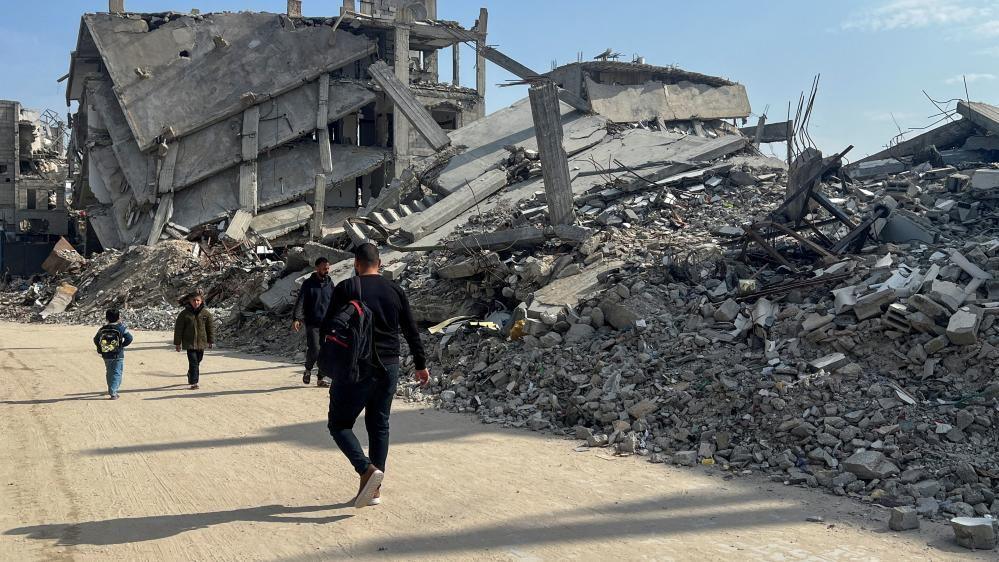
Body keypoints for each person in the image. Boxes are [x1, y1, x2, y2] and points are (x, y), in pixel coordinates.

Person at [325, 243, 429, 509]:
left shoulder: (347, 288)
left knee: (339, 424)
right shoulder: (395, 290)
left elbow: (329, 327)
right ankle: (374, 490)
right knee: (379, 424)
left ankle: (366, 470)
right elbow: (410, 330)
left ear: (356, 264)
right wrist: (420, 363)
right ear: (379, 263)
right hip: (389, 365)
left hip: (356, 367)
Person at [292, 257, 333, 387]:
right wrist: (296, 318)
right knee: (315, 349)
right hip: (312, 323)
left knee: (326, 351)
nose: (326, 271)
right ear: (317, 268)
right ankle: (308, 370)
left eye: (327, 268)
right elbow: (300, 301)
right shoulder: (308, 284)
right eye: (324, 268)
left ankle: (320, 378)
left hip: (327, 323)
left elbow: (335, 302)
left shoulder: (330, 283)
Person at [173, 289, 215, 390]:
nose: (196, 302)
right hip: (189, 343)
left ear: (201, 301)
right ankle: (194, 382)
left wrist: (210, 341)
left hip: (201, 343)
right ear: (189, 301)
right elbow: (178, 329)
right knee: (193, 362)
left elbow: (210, 328)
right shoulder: (184, 314)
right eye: (193, 300)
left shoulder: (206, 314)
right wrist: (177, 343)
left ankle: (190, 373)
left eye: (198, 300)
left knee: (198, 361)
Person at [93, 309, 134, 399]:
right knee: (117, 372)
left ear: (107, 318)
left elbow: (95, 339)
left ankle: (111, 388)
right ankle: (113, 392)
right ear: (118, 318)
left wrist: (100, 349)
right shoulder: (121, 328)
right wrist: (122, 346)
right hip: (118, 354)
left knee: (109, 371)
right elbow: (129, 338)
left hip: (106, 354)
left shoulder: (103, 329)